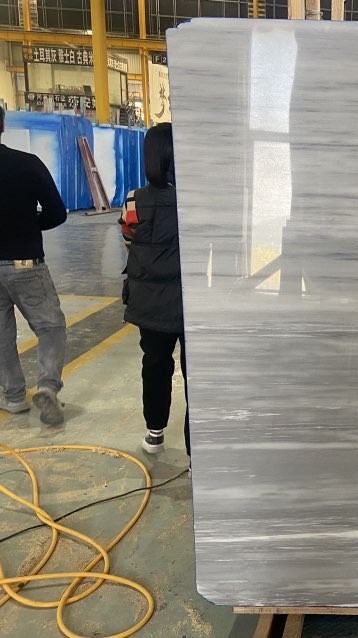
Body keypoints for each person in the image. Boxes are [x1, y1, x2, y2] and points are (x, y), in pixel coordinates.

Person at [119, 123, 189, 455]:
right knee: (195, 374)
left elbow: (129, 241)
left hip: (150, 304)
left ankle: (155, 433)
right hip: (190, 302)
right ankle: (196, 454)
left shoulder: (134, 199)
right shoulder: (196, 202)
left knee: (156, 365)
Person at [0, 105, 68, 425]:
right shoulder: (28, 164)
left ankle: (14, 397)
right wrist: (28, 225)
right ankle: (47, 387)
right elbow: (57, 212)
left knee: (1, 335)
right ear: (2, 125)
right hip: (25, 262)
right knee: (50, 327)